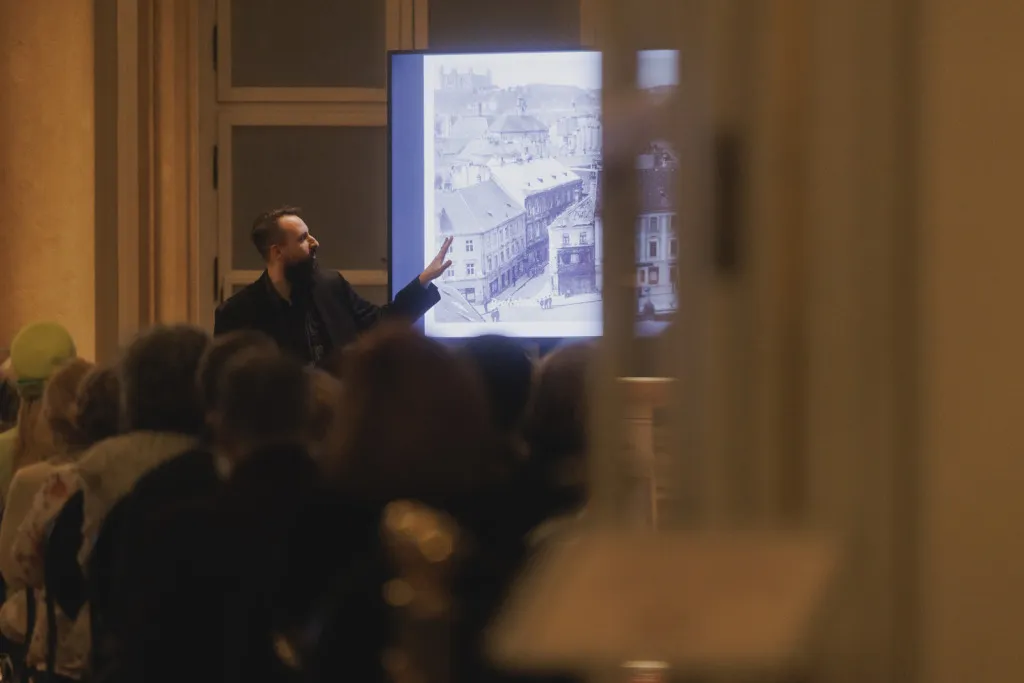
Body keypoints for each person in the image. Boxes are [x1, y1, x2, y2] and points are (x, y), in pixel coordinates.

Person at [214, 206, 454, 366]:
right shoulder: (237, 314)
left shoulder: (331, 287)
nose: (315, 242)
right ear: (277, 252)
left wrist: (423, 280)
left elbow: (380, 322)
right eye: (302, 238)